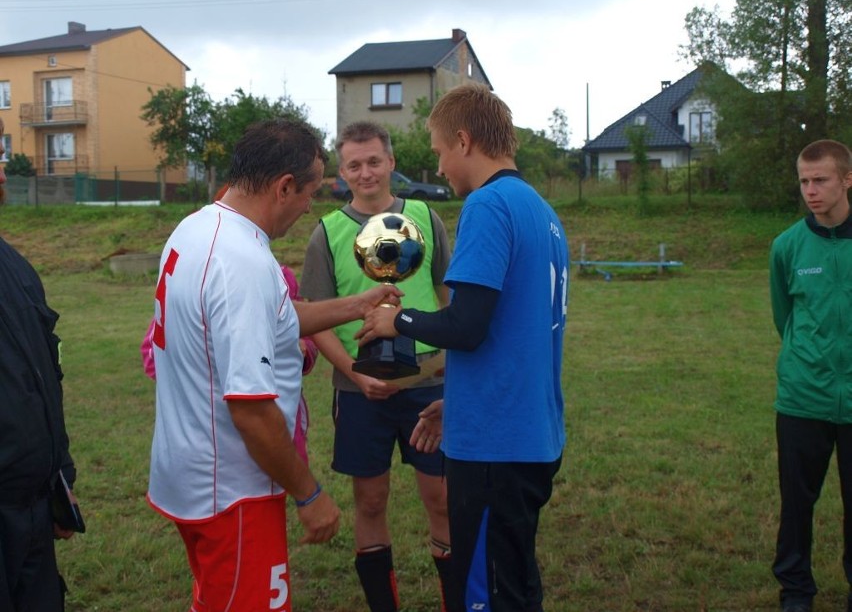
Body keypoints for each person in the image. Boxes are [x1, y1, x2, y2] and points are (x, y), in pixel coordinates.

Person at [146, 119, 402, 612]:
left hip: (188, 472)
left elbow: (277, 316)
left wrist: (358, 303)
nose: (310, 205)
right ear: (284, 186)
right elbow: (251, 409)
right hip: (232, 491)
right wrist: (309, 494)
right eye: (309, 192)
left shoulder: (196, 227)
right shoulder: (242, 262)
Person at [355, 84, 569, 612]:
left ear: (465, 141)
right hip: (530, 430)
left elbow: (467, 324)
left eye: (438, 151)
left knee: (490, 595)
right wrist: (461, 401)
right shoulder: (541, 210)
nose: (441, 167)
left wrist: (394, 321)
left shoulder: (489, 205)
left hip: (498, 444)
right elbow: (515, 333)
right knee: (516, 583)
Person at [299, 121, 455, 612]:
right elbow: (315, 317)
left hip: (427, 384)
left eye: (373, 161)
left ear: (390, 163)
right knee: (369, 501)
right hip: (358, 390)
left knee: (444, 500)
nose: (365, 172)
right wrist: (352, 369)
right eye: (353, 165)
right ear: (341, 173)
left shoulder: (427, 218)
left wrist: (446, 359)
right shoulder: (326, 233)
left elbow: (452, 298)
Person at [140, 185, 319, 463]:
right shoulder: (212, 268)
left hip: (282, 419)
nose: (308, 206)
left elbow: (298, 330)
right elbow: (153, 352)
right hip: (222, 446)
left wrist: (301, 350)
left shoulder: (278, 275)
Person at [0, 116, 80, 610]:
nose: (3, 172)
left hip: (31, 508)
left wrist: (60, 477)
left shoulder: (16, 267)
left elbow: (46, 378)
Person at [769, 139, 852, 612]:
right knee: (797, 505)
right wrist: (810, 362)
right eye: (804, 181)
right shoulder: (787, 247)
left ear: (846, 180)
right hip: (804, 398)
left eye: (820, 180)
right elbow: (785, 316)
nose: (811, 191)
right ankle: (796, 589)